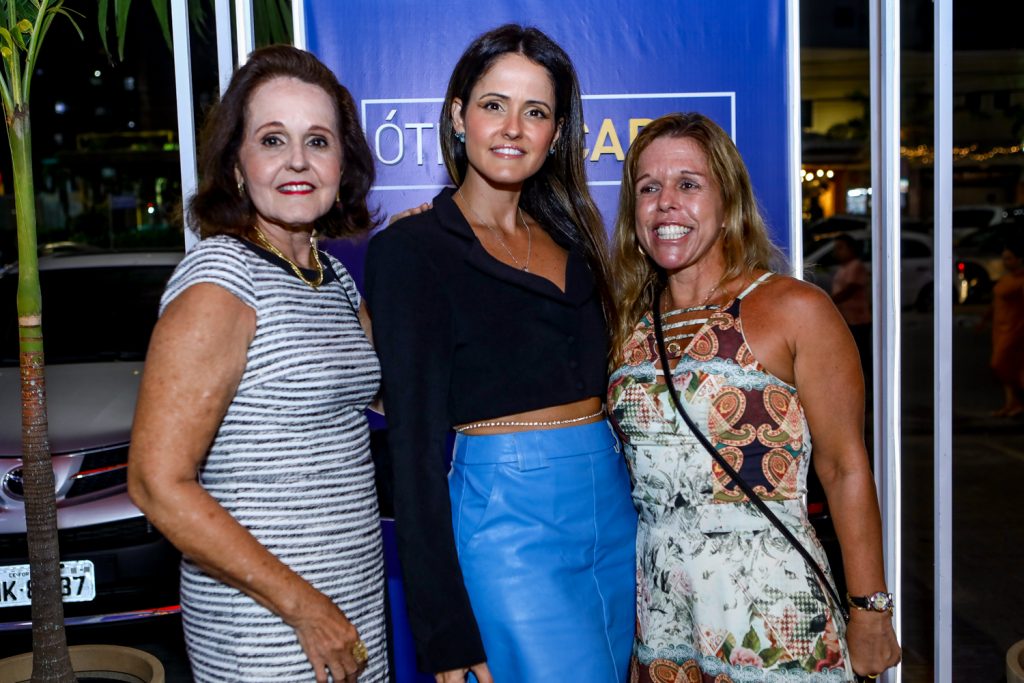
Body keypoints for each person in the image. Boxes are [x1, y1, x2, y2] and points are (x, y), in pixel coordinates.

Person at [364, 24, 636, 683]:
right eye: (493, 105)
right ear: (458, 117)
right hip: (509, 525)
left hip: (611, 511)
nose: (513, 127)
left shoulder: (577, 238)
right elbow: (416, 452)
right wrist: (447, 631)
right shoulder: (414, 250)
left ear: (556, 133)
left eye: (535, 111)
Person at [607, 113, 901, 682]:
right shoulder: (626, 326)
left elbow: (844, 468)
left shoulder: (795, 309)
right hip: (665, 612)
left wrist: (870, 609)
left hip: (774, 608)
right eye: (649, 188)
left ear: (728, 201)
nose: (667, 202)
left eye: (689, 184)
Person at [127, 45, 387, 683]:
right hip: (269, 630)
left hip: (350, 609)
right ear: (238, 164)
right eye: (273, 139)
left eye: (318, 141)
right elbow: (158, 484)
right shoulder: (221, 280)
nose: (298, 161)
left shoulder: (332, 279)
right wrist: (303, 608)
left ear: (342, 163)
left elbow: (387, 400)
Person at [830, 233, 873, 397]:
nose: (836, 252)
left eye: (840, 248)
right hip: (847, 319)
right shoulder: (844, 268)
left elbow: (850, 290)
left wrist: (827, 301)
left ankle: (868, 388)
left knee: (861, 356)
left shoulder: (856, 267)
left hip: (858, 320)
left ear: (851, 249)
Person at [986, 233, 1024, 417]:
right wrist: (985, 318)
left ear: (1019, 260)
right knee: (1008, 368)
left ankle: (1019, 401)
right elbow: (997, 301)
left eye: (1009, 258)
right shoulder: (1006, 278)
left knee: (1000, 364)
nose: (1005, 262)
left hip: (1014, 329)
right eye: (1004, 258)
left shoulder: (1020, 281)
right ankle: (1012, 404)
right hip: (1000, 328)